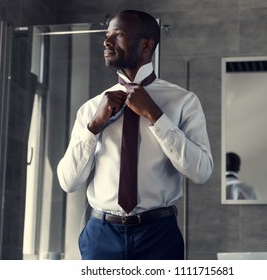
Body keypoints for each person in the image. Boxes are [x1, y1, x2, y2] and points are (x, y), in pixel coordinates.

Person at [57, 10, 213, 260]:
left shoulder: (183, 101)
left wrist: (156, 115)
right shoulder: (91, 108)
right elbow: (68, 181)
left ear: (146, 44)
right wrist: (95, 124)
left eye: (117, 35)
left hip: (159, 236)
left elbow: (202, 171)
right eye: (107, 35)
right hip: (101, 235)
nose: (107, 42)